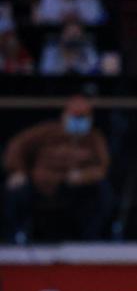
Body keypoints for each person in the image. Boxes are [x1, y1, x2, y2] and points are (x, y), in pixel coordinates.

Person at [3, 94, 110, 243]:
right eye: (75, 117)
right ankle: (15, 236)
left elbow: (102, 167)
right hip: (39, 184)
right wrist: (17, 171)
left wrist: (83, 176)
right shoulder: (47, 131)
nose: (78, 121)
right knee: (16, 190)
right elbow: (16, 145)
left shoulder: (94, 138)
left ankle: (89, 239)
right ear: (65, 115)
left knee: (100, 191)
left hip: (73, 187)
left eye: (82, 117)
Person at [34, 0, 107, 25]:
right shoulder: (47, 0)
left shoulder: (92, 1)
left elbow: (100, 26)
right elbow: (39, 24)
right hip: (52, 44)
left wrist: (78, 19)